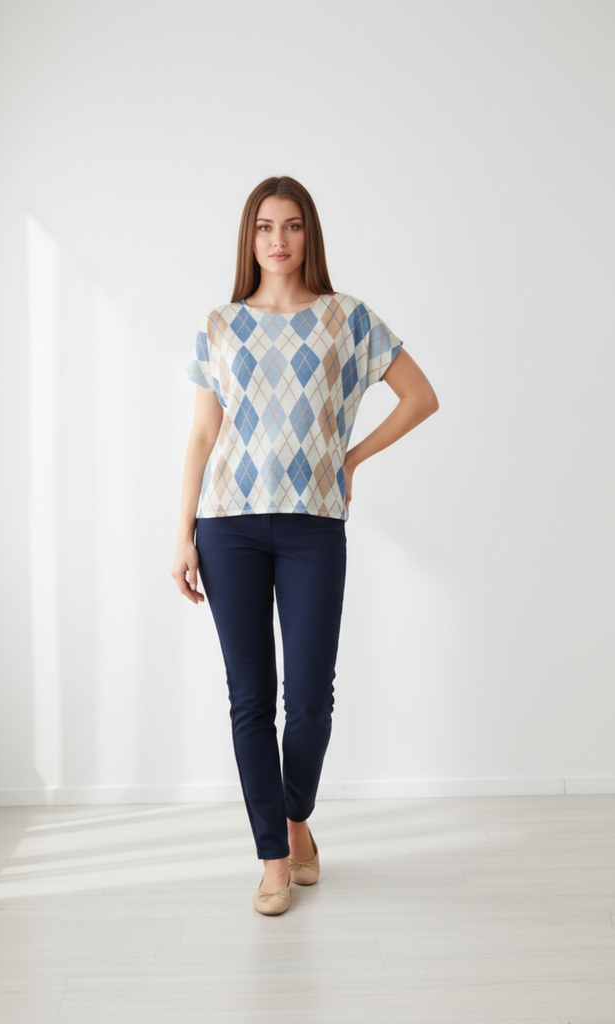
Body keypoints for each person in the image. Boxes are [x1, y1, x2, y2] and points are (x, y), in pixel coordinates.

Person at [171, 176, 438, 915]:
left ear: (308, 234)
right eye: (264, 226)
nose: (278, 240)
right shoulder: (221, 325)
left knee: (311, 700)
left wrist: (351, 458)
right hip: (227, 525)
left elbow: (420, 397)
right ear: (249, 237)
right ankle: (273, 859)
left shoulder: (346, 319)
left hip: (313, 525)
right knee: (250, 699)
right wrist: (182, 532)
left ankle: (296, 819)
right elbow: (202, 434)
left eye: (291, 225)